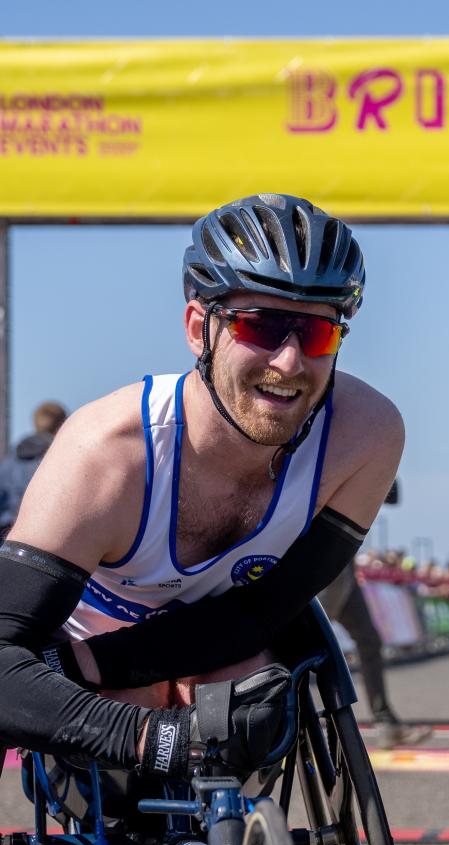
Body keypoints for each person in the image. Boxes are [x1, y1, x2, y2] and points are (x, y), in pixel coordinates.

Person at [0, 194, 405, 784]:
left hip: (223, 641)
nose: (289, 361)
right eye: (260, 327)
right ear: (199, 328)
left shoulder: (366, 434)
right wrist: (141, 733)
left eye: (317, 334)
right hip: (88, 652)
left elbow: (266, 611)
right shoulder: (107, 451)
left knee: (246, 682)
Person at [320, 479, 431, 748]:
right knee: (309, 649)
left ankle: (385, 721)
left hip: (342, 566)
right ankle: (287, 720)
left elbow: (392, 493)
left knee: (368, 640)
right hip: (319, 562)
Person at [0, 400, 68, 539]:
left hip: (6, 538)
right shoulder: (61, 458)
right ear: (62, 424)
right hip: (43, 540)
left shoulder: (9, 461)